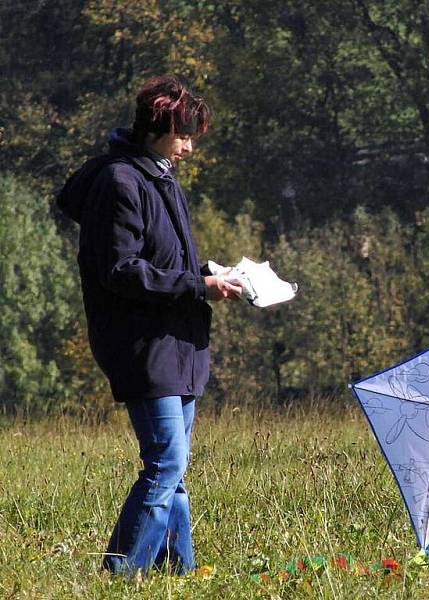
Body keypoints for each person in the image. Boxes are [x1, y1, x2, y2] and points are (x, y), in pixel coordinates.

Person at [57, 75, 241, 576]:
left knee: (174, 470)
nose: (189, 146)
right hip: (143, 345)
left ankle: (179, 573)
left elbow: (169, 256)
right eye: (184, 135)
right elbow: (121, 270)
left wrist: (209, 273)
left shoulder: (160, 174)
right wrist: (197, 287)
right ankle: (118, 575)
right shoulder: (121, 182)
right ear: (158, 129)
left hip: (178, 342)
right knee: (164, 464)